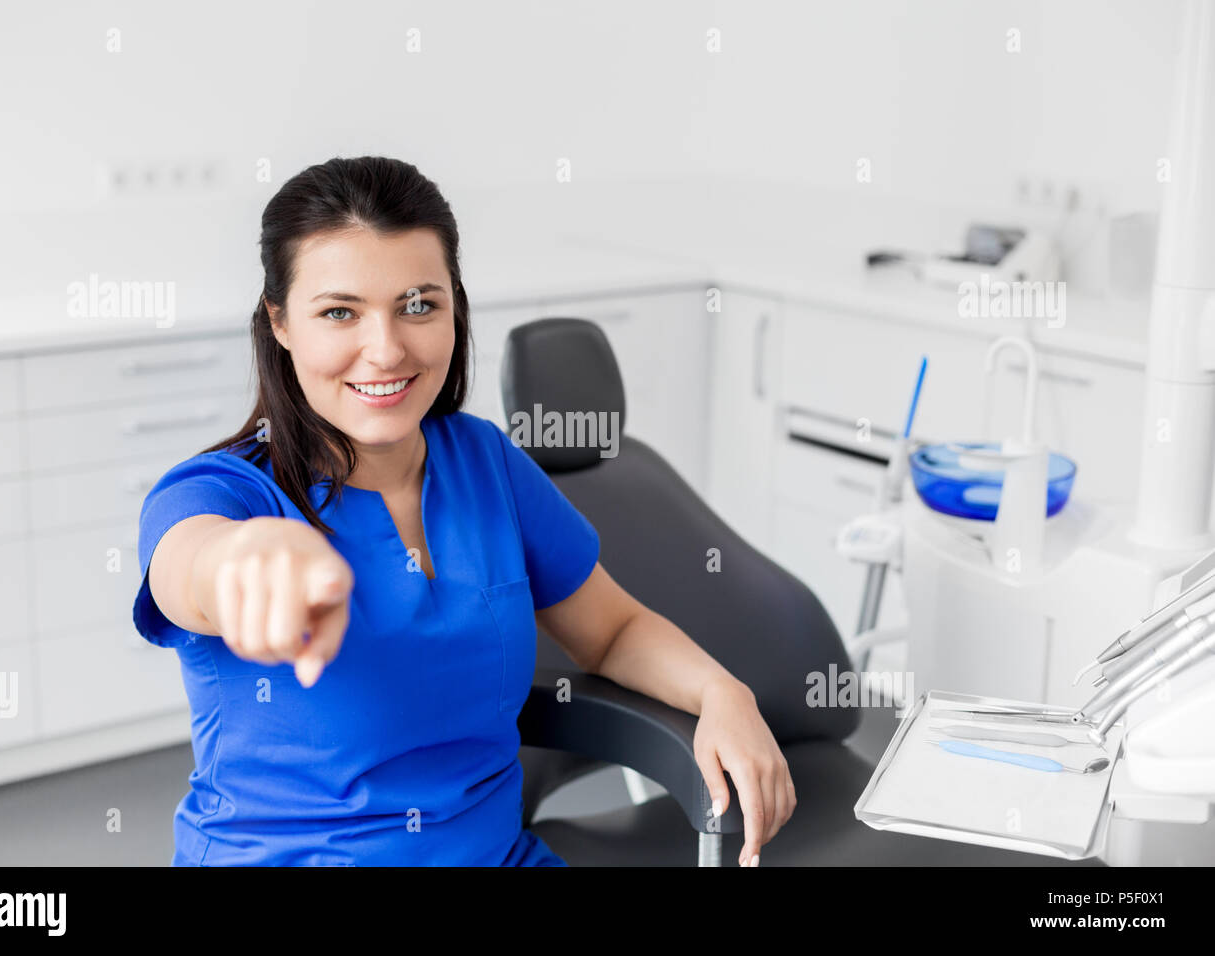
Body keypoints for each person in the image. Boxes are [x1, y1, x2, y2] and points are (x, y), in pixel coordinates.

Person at [133, 155, 794, 866]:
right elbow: (192, 567)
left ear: (456, 306)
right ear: (281, 322)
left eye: (418, 304)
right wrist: (244, 564)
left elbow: (612, 630)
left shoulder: (486, 463)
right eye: (338, 313)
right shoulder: (220, 494)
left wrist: (722, 693)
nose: (386, 350)